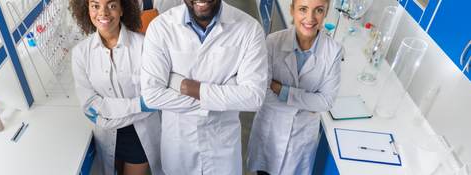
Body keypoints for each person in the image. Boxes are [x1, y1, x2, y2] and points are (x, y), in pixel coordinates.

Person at [140, 0, 268, 174]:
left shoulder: (249, 29)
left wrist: (181, 85)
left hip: (222, 149)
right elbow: (152, 95)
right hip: (178, 147)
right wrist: (226, 94)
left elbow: (253, 98)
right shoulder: (160, 27)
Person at [246, 0, 343, 174]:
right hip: (270, 133)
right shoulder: (273, 42)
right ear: (292, 10)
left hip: (300, 141)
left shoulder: (333, 51)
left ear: (326, 12)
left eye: (318, 10)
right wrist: (308, 103)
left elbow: (326, 101)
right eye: (303, 9)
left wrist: (282, 90)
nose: (310, 18)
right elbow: (262, 92)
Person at [69, 0, 163, 174]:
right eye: (95, 6)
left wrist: (104, 117)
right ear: (87, 10)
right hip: (107, 137)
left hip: (139, 138)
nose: (103, 13)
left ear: (122, 9)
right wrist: (138, 105)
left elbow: (153, 100)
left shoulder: (144, 46)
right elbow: (89, 104)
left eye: (111, 5)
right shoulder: (80, 53)